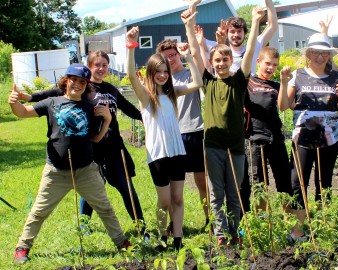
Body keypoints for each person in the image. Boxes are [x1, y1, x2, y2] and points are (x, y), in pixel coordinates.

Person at [9, 64, 130, 264]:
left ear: (86, 85)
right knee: (39, 211)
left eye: (83, 81)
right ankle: (22, 247)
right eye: (74, 79)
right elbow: (22, 112)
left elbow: (97, 139)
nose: (78, 84)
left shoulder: (90, 108)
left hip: (85, 170)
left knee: (105, 208)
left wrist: (107, 120)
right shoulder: (51, 102)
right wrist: (14, 102)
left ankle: (122, 243)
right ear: (66, 80)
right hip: (55, 172)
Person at [19, 51, 146, 236]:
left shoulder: (111, 89)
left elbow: (128, 108)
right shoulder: (82, 86)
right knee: (92, 188)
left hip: (113, 147)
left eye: (104, 64)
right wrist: (29, 97)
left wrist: (148, 119)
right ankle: (85, 226)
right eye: (97, 65)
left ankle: (141, 228)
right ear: (89, 66)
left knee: (126, 187)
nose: (101, 68)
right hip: (90, 148)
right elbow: (54, 93)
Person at [126, 20, 203, 251]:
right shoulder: (146, 97)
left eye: (165, 71)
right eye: (157, 72)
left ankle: (178, 240)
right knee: (165, 200)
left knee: (178, 198)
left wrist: (188, 56)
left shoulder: (173, 93)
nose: (162, 75)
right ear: (151, 72)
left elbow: (198, 82)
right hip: (158, 155)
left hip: (178, 151)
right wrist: (131, 45)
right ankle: (161, 236)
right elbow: (130, 74)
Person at [195, 6, 264, 245]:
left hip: (235, 146)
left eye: (225, 59)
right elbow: (196, 53)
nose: (222, 63)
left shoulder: (238, 81)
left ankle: (235, 232)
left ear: (230, 61)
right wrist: (188, 26)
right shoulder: (208, 82)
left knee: (235, 192)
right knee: (216, 193)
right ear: (212, 63)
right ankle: (220, 233)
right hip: (213, 146)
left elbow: (251, 50)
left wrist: (255, 23)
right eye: (217, 60)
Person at [278, 22, 338, 241]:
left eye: (324, 53)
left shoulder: (337, 77)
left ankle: (322, 226)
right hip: (302, 139)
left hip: (329, 139)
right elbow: (283, 105)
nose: (320, 57)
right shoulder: (297, 75)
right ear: (309, 54)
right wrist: (282, 82)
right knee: (297, 181)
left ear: (329, 56)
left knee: (324, 182)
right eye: (316, 53)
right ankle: (298, 229)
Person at [154, 1, 208, 232]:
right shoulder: (160, 80)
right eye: (167, 56)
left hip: (194, 131)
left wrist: (188, 55)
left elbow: (197, 60)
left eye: (174, 55)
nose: (172, 59)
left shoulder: (189, 73)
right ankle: (172, 227)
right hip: (171, 136)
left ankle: (210, 220)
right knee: (174, 187)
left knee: (202, 182)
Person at [243, 46, 293, 212]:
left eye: (274, 65)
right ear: (258, 62)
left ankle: (289, 221)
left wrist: (285, 83)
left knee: (284, 181)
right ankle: (263, 222)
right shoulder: (248, 82)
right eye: (268, 63)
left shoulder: (277, 85)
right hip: (254, 140)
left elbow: (283, 106)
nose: (271, 68)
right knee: (259, 185)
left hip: (275, 138)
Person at [203, 0, 278, 75]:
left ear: (245, 33)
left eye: (239, 31)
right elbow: (195, 41)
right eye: (232, 31)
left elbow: (273, 26)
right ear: (226, 33)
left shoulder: (254, 47)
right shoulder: (216, 48)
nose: (236, 35)